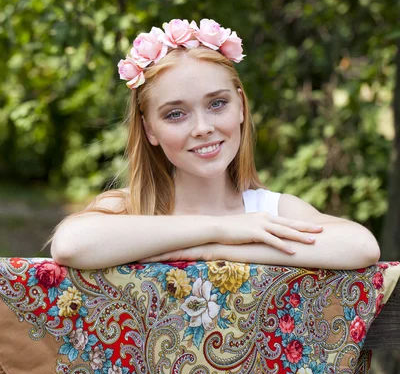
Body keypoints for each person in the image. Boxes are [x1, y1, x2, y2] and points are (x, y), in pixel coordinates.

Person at [46, 18, 380, 270]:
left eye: (217, 104)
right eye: (176, 114)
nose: (203, 128)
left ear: (241, 107)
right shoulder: (129, 210)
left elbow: (360, 246)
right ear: (150, 130)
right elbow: (70, 245)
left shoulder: (268, 212)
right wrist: (222, 228)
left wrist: (210, 249)